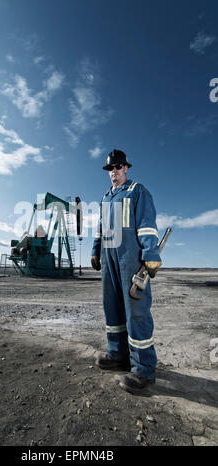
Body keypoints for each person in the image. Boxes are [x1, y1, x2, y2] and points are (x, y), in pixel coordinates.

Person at [91, 149, 162, 394]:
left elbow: (147, 225)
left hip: (130, 259)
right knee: (112, 308)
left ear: (126, 168)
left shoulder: (137, 192)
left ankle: (144, 370)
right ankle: (118, 356)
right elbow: (101, 227)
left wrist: (151, 254)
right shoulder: (106, 198)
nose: (115, 171)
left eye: (119, 167)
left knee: (136, 312)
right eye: (111, 168)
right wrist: (95, 249)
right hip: (109, 260)